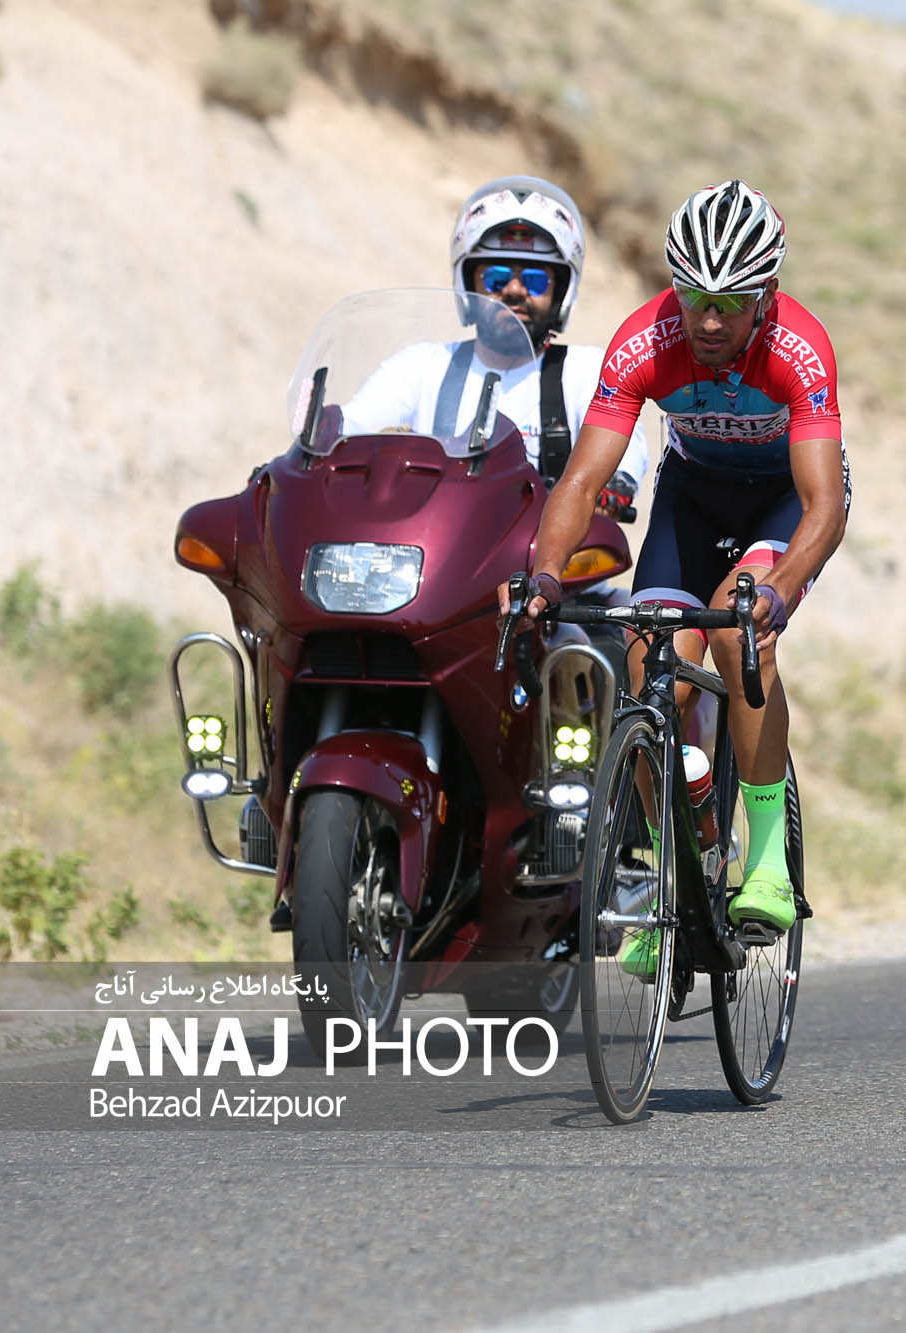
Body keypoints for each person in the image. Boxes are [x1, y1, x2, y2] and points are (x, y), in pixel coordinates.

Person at [507, 179, 849, 953]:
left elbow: (823, 504)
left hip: (782, 502)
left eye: (731, 302)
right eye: (694, 297)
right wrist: (546, 574)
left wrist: (779, 590)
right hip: (693, 497)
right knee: (645, 666)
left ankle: (766, 860)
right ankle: (678, 877)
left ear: (767, 295)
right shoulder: (645, 341)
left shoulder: (799, 347)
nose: (709, 320)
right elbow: (581, 482)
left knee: (736, 634)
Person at [341, 174, 651, 513]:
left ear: (561, 291)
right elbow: (350, 427)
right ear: (469, 284)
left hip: (541, 544)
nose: (514, 290)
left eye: (535, 279)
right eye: (496, 277)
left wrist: (613, 482)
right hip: (429, 538)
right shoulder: (421, 366)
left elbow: (624, 446)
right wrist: (323, 437)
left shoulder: (587, 373)